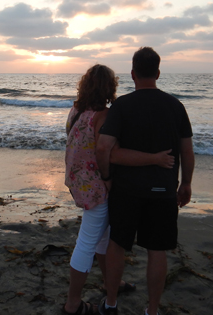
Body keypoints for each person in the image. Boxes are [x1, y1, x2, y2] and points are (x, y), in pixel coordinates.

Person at [63, 64, 175, 315]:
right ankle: (73, 304)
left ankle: (111, 282)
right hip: (96, 186)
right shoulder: (103, 115)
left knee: (104, 237)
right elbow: (106, 153)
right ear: (109, 87)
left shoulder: (76, 110)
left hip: (78, 181)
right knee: (87, 242)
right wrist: (108, 177)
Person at [96, 47, 195, 315]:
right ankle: (152, 310)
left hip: (126, 189)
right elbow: (187, 150)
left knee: (117, 244)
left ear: (132, 74)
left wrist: (106, 177)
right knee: (157, 249)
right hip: (163, 190)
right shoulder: (176, 106)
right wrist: (185, 183)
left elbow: (104, 148)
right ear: (158, 73)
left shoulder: (122, 105)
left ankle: (111, 303)